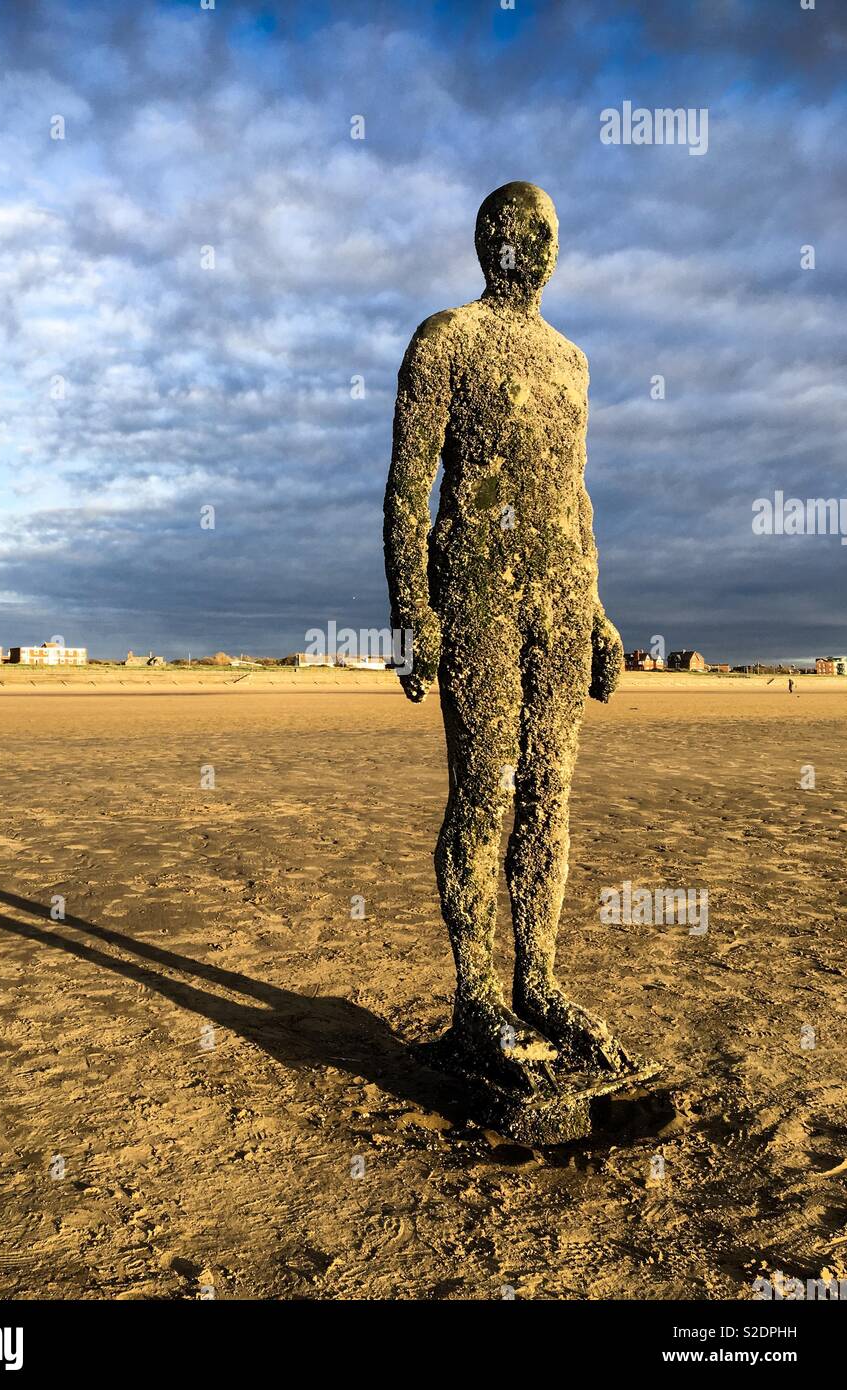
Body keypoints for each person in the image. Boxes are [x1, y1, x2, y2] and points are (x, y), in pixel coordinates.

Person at [384, 181, 641, 1092]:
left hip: (560, 599)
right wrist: (412, 605)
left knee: (550, 793)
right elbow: (410, 482)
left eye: (544, 232)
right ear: (485, 239)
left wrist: (598, 608)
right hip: (479, 591)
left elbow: (575, 496)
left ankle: (538, 980)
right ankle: (477, 995)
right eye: (515, 229)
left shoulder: (569, 360)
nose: (531, 245)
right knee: (485, 789)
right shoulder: (446, 338)